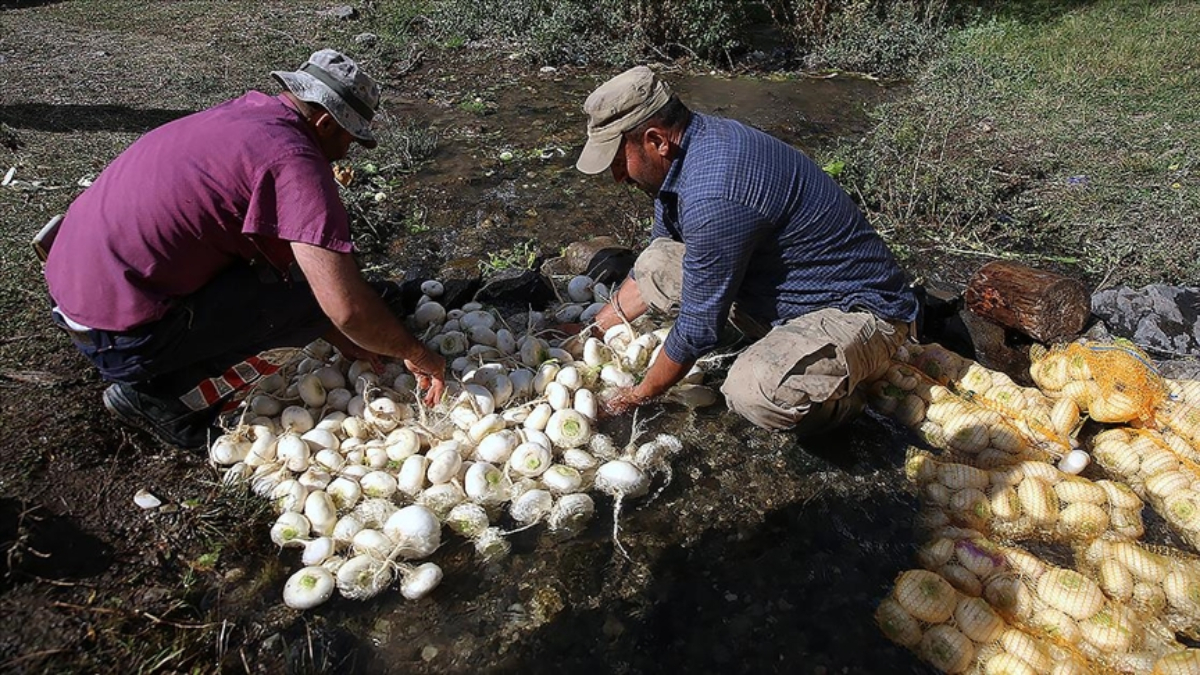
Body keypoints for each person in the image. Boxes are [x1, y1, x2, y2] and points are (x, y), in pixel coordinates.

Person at [43, 49, 446, 450]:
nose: (346, 152)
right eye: (349, 138)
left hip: (75, 294)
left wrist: (336, 332)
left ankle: (163, 362)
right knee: (311, 301)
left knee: (302, 285)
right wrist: (414, 351)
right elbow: (345, 308)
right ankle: (162, 401)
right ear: (325, 123)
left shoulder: (246, 114)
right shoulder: (294, 161)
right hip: (120, 338)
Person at [574, 66, 919, 435]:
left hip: (858, 312)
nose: (617, 177)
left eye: (617, 161)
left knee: (752, 393)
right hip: (783, 296)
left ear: (656, 140)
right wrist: (587, 333)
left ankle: (847, 403)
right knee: (657, 259)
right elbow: (658, 261)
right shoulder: (684, 155)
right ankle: (785, 350)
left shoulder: (714, 191)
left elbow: (696, 328)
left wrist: (634, 397)